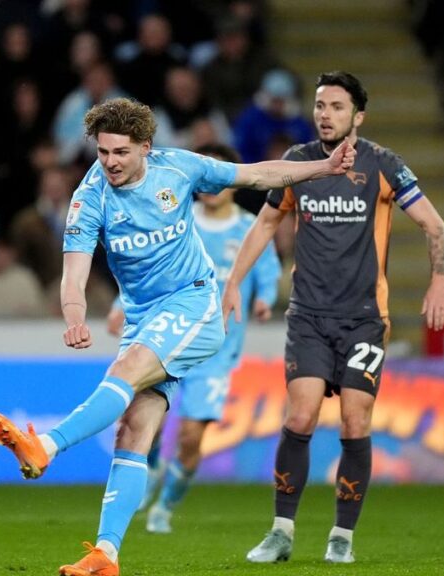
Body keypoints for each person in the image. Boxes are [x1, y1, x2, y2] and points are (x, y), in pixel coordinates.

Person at [0, 97, 355, 576]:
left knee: (125, 372)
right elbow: (73, 273)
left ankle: (48, 445)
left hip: (195, 304)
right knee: (134, 429)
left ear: (146, 147)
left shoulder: (178, 168)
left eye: (120, 152)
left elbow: (255, 176)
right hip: (143, 316)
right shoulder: (88, 195)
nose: (110, 163)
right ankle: (106, 554)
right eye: (102, 152)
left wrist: (323, 167)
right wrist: (75, 316)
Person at [221, 72, 444, 565]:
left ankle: (341, 537)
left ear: (357, 116)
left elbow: (435, 224)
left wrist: (439, 280)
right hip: (308, 315)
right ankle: (281, 532)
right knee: (300, 415)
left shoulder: (384, 165)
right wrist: (234, 281)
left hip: (365, 319)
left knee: (354, 422)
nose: (324, 114)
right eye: (320, 105)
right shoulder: (298, 164)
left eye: (336, 106)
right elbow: (266, 223)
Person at [132, 143, 281, 534]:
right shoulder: (179, 220)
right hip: (169, 340)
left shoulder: (249, 227)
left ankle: (166, 505)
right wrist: (120, 304)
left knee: (190, 437)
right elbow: (148, 268)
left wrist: (264, 299)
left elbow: (267, 271)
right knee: (144, 421)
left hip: (216, 351)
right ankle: (149, 469)